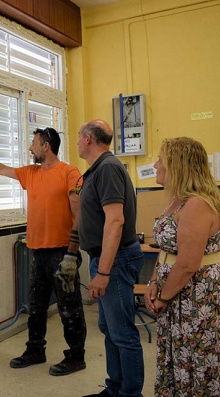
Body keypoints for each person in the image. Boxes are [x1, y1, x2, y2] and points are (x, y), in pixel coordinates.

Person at [0, 127, 87, 376]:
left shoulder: (69, 172)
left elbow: (79, 214)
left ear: (46, 146)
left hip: (62, 252)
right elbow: (0, 169)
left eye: (34, 143)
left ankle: (76, 357)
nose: (30, 148)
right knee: (36, 307)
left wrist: (72, 254)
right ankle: (35, 350)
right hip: (37, 251)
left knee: (69, 308)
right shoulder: (30, 173)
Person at [144, 137, 220, 396]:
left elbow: (187, 263)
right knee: (178, 355)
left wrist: (163, 296)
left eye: (161, 160)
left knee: (197, 358)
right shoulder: (177, 201)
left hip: (196, 296)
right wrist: (153, 283)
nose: (156, 165)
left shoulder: (197, 204)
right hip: (176, 292)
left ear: (178, 165)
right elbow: (167, 252)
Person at [76, 120, 144, 397]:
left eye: (80, 137)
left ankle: (130, 394)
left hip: (114, 260)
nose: (78, 142)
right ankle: (114, 388)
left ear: (89, 138)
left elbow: (115, 222)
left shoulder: (107, 168)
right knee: (109, 328)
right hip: (105, 259)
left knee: (123, 333)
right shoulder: (98, 169)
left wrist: (103, 272)